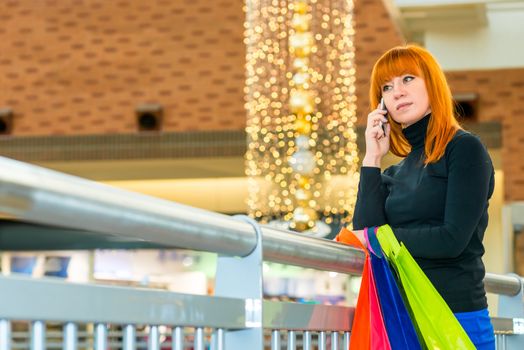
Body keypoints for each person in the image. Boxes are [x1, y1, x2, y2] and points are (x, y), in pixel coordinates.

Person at [351, 44, 496, 349]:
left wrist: (383, 238)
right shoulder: (394, 173)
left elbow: (451, 239)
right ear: (382, 105)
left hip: (455, 317)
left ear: (432, 83)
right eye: (387, 87)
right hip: (400, 319)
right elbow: (366, 236)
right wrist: (372, 158)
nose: (397, 92)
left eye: (407, 79)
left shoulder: (464, 149)